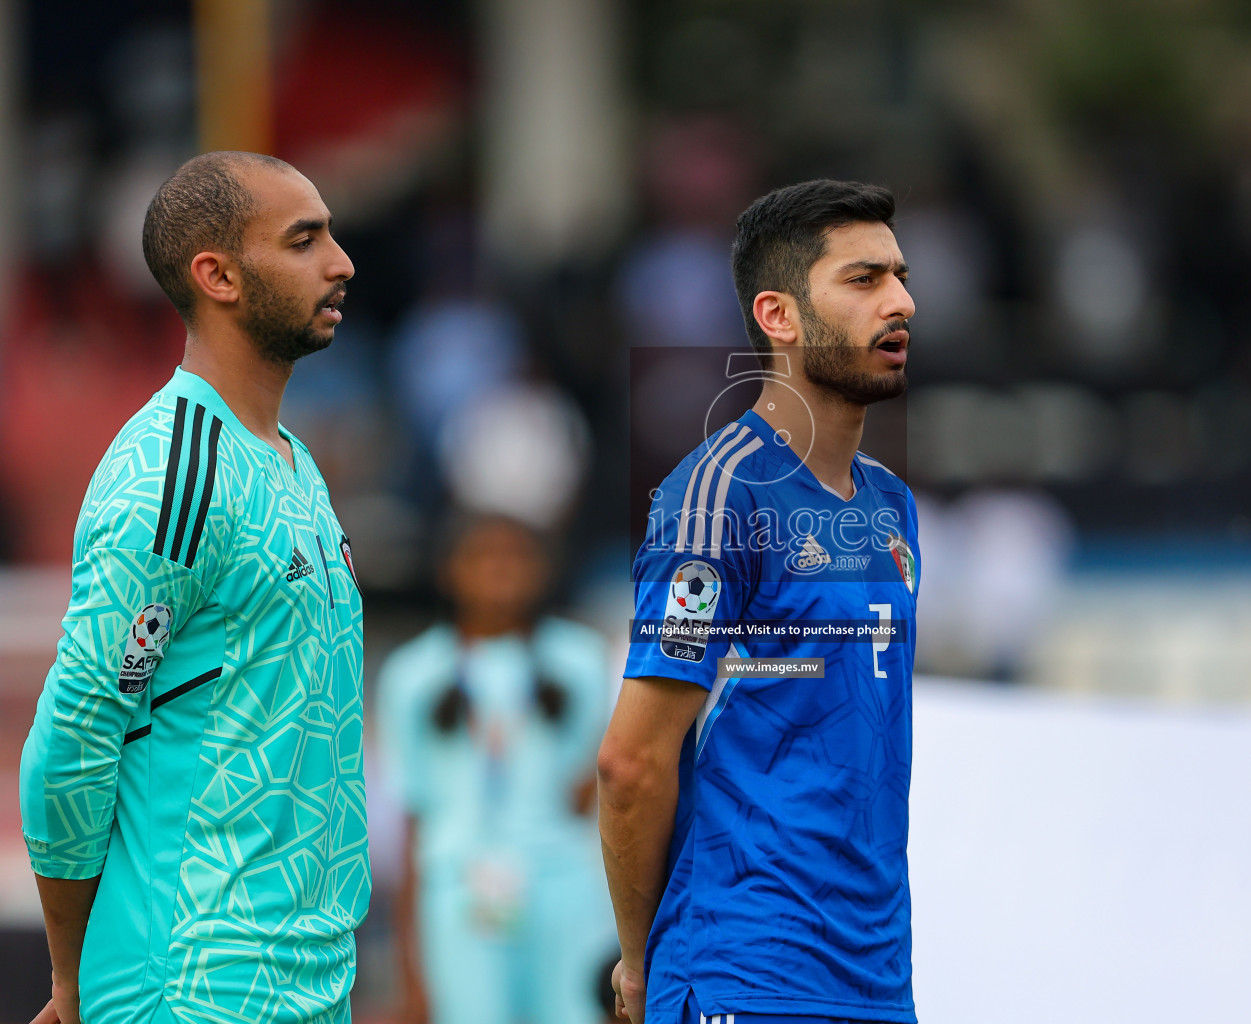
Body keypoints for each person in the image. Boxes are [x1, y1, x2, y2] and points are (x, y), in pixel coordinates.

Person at [19, 151, 365, 1024]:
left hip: (309, 976)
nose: (342, 262)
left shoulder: (293, 462)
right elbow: (72, 737)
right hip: (195, 978)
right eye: (304, 240)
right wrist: (70, 974)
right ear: (217, 275)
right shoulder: (173, 472)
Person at [598, 179, 921, 1024]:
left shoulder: (891, 506)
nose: (902, 302)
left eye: (899, 276)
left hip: (880, 979)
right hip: (746, 969)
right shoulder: (718, 498)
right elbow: (632, 763)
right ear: (778, 316)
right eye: (864, 280)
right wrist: (641, 963)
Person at [378, 512, 614, 1024]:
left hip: (563, 882)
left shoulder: (582, 659)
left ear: (543, 570)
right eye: (482, 557)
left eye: (515, 557)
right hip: (461, 887)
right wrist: (411, 970)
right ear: (449, 571)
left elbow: (598, 797)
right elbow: (411, 822)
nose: (499, 571)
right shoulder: (413, 673)